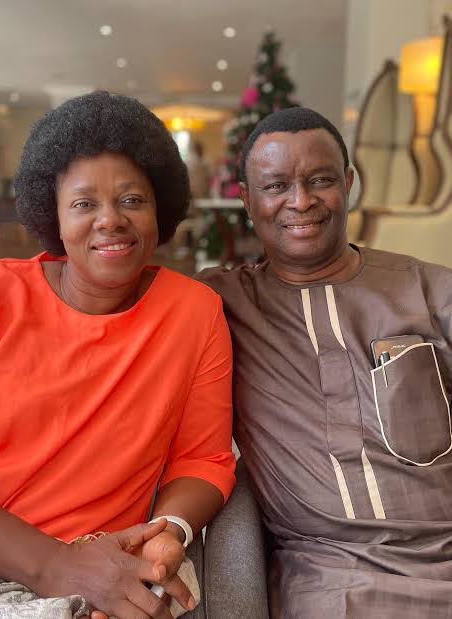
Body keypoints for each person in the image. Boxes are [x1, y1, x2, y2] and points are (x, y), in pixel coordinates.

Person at [0, 91, 235, 619]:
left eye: (132, 200)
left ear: (158, 208)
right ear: (54, 216)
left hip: (101, 570)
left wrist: (166, 535)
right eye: (84, 204)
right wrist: (55, 566)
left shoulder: (195, 312)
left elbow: (203, 459)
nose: (111, 220)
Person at [198, 106, 452, 618]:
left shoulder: (431, 290)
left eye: (321, 180)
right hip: (330, 577)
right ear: (247, 199)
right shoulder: (220, 304)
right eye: (276, 187)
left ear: (348, 183)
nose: (301, 201)